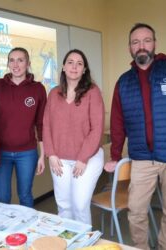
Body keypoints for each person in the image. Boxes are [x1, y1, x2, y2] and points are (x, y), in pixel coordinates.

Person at [104, 23, 166, 250]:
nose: (141, 46)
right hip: (141, 159)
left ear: (155, 44)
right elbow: (118, 124)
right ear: (130, 48)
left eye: (146, 40)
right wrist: (114, 155)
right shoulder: (123, 82)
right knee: (136, 211)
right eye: (135, 42)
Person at [43, 49, 104, 225]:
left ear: (84, 69)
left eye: (79, 63)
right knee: (64, 206)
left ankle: (85, 243)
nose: (74, 67)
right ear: (63, 67)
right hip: (59, 159)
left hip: (87, 158)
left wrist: (83, 158)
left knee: (79, 205)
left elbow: (97, 128)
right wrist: (51, 154)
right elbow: (46, 125)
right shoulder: (54, 93)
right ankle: (68, 241)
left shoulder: (92, 92)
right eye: (70, 62)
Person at [0, 47, 46, 208]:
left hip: (27, 153)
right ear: (8, 64)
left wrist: (42, 155)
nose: (16, 64)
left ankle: (27, 232)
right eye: (12, 60)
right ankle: (4, 232)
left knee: (25, 195)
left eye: (20, 60)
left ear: (28, 63)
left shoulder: (38, 89)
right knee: (2, 197)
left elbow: (41, 123)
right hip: (1, 153)